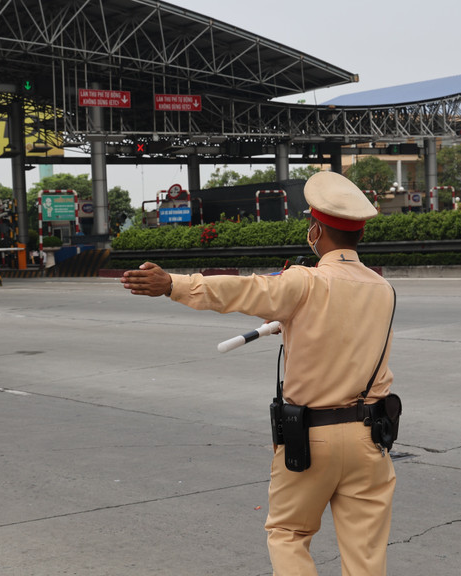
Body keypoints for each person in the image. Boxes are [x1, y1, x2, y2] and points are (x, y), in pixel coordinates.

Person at [121, 171, 397, 575]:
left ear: (316, 230)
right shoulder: (382, 288)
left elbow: (243, 290)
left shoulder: (304, 282)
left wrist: (172, 284)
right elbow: (346, 333)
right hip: (370, 439)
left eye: (310, 225)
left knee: (288, 533)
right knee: (366, 554)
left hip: (312, 437)